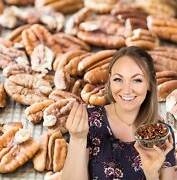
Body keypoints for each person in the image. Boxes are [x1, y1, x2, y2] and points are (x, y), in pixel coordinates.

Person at [61, 46, 176, 180]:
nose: (126, 90)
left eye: (137, 80)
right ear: (109, 80)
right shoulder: (91, 121)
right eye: (118, 79)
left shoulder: (162, 135)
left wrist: (151, 175)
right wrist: (77, 139)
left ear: (150, 83)